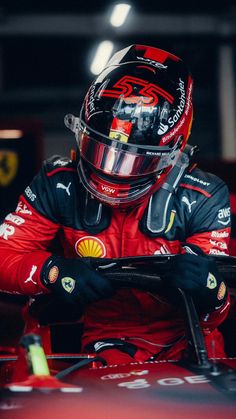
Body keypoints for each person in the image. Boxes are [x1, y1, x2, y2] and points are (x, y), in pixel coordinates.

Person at [0, 44, 232, 365]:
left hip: (189, 346)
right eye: (101, 150)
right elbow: (4, 254)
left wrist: (209, 289)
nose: (112, 170)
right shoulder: (58, 182)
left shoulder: (204, 196)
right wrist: (51, 271)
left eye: (133, 160)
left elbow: (217, 311)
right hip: (99, 346)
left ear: (173, 153)